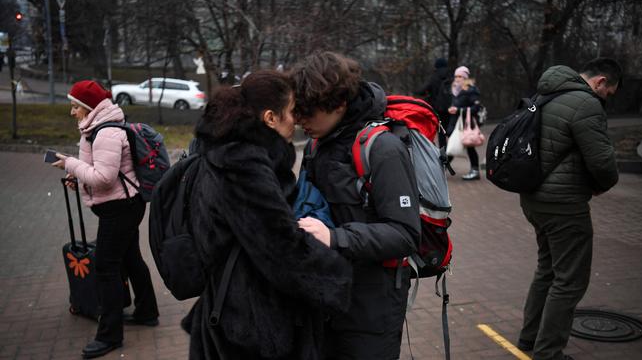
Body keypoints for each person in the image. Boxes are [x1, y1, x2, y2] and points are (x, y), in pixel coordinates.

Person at [182, 70, 353, 360]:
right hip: (250, 322)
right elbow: (279, 244)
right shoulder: (243, 165)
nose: (297, 120)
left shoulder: (224, 147)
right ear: (270, 118)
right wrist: (337, 275)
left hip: (234, 306)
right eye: (291, 111)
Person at [291, 51, 421, 360]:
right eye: (298, 111)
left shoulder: (383, 149)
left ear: (339, 105)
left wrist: (336, 238)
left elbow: (405, 234)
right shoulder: (317, 143)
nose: (299, 121)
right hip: (327, 295)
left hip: (371, 307)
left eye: (308, 112)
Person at [516, 58, 621, 360]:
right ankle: (548, 353)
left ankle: (530, 337)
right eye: (609, 93)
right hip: (564, 205)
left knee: (547, 269)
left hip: (533, 199)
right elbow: (602, 161)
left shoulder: (545, 93)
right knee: (570, 280)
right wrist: (603, 184)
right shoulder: (585, 103)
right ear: (600, 82)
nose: (606, 99)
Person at [52, 80, 159, 359]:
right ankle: (147, 311)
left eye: (75, 106)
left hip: (120, 208)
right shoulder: (96, 129)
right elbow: (98, 173)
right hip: (122, 205)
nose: (72, 112)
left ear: (88, 107)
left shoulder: (106, 134)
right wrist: (78, 178)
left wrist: (69, 164)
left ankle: (109, 336)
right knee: (130, 258)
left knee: (105, 268)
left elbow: (103, 178)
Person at [447, 65, 482, 180]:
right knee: (455, 145)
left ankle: (475, 171)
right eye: (456, 76)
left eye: (460, 76)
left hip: (466, 125)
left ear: (465, 77)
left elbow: (476, 108)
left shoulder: (470, 90)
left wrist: (458, 110)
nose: (457, 78)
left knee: (467, 146)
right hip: (457, 123)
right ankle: (441, 168)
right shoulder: (457, 89)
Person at [415, 57, 451, 147]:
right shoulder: (451, 76)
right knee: (450, 130)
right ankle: (453, 148)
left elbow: (421, 91)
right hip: (451, 109)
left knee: (441, 133)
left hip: (438, 109)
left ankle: (444, 154)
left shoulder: (433, 78)